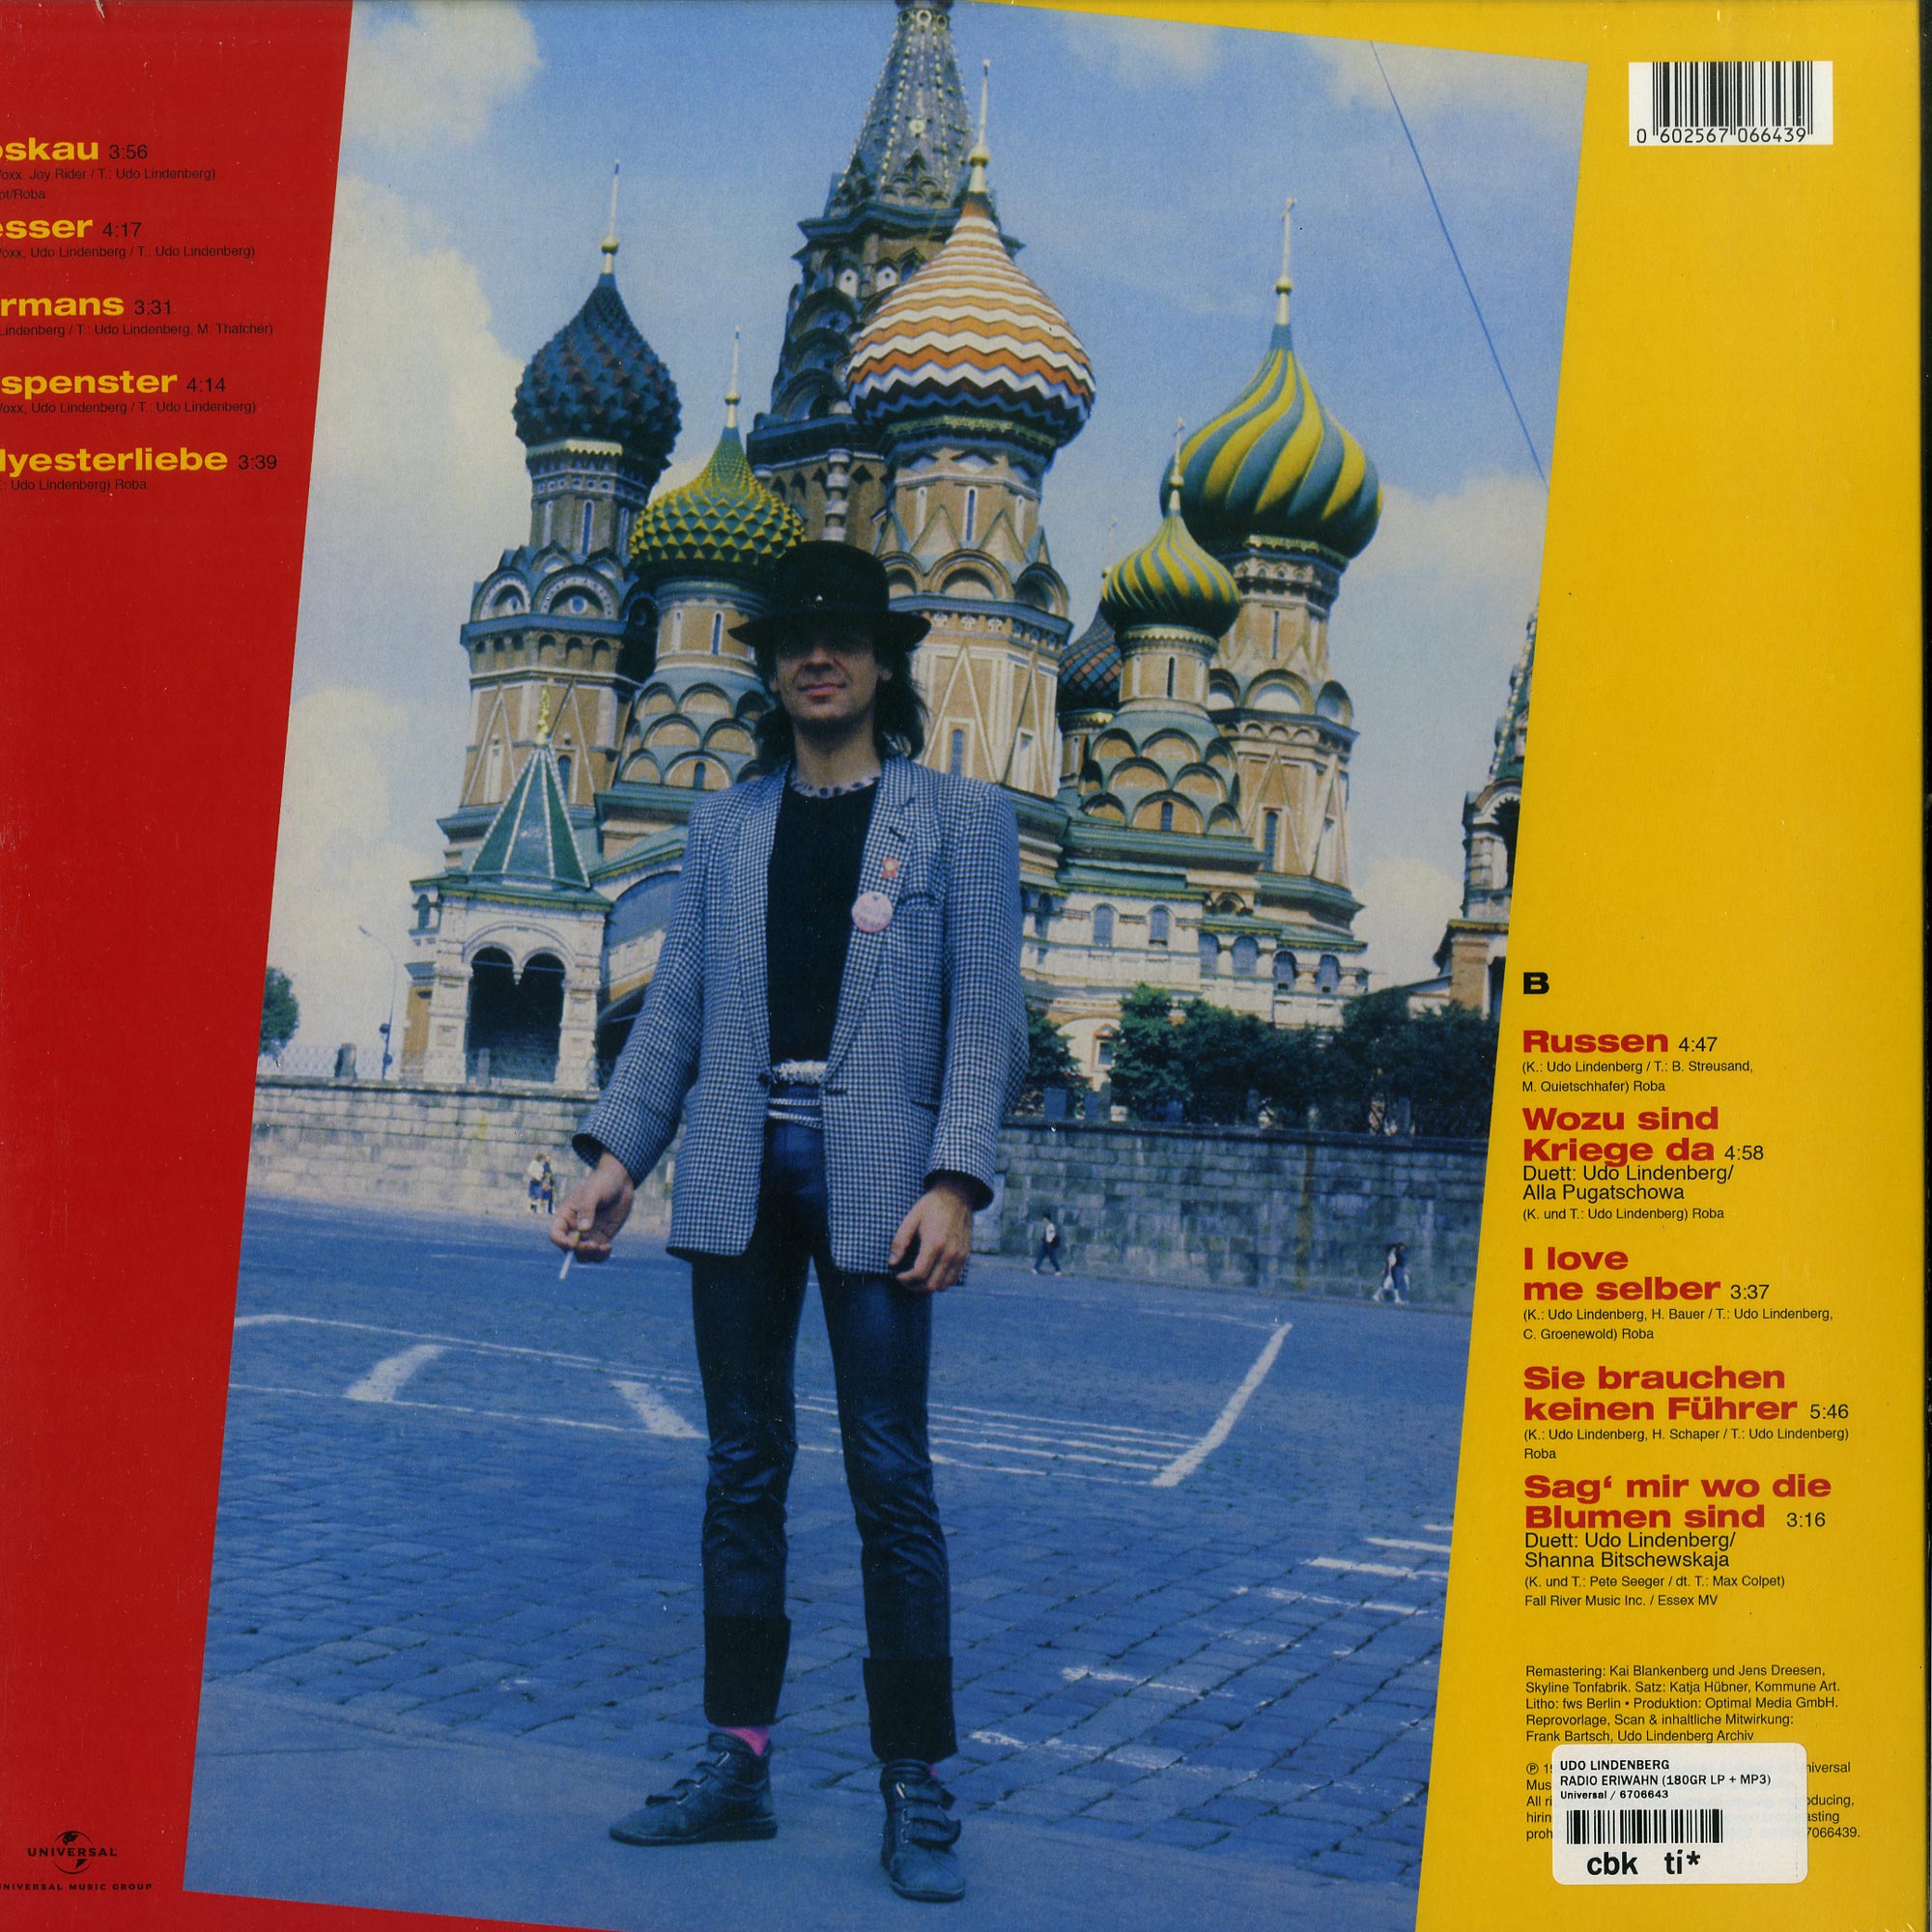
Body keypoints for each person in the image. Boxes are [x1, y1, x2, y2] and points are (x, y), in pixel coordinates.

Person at [551, 541, 1026, 1905]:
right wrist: (613, 1158)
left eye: (845, 637)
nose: (819, 657)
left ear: (882, 662)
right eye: (795, 640)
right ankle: (738, 1761)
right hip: (736, 1171)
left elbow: (986, 1025)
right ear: (768, 667)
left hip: (885, 1184)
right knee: (742, 1470)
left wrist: (956, 1182)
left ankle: (914, 1781)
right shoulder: (726, 827)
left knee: (891, 1477)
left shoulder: (960, 820)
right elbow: (676, 1016)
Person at [1374, 1240, 1410, 1304]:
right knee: (1389, 1284)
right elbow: (1390, 1263)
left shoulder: (1396, 1253)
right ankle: (1395, 1298)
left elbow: (1397, 1262)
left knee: (1388, 1284)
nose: (1403, 1248)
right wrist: (1386, 1270)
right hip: (1392, 1270)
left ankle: (1379, 1295)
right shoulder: (1393, 1253)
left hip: (1393, 1270)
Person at [1032, 1211, 1063, 1275]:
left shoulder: (1051, 1226)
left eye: (1044, 1218)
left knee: (1052, 1259)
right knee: (1040, 1256)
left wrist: (1048, 1242)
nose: (1043, 1220)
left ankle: (1058, 1270)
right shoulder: (1047, 1226)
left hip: (1049, 1245)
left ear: (1047, 1219)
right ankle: (1035, 1268)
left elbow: (1052, 1235)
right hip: (1045, 1244)